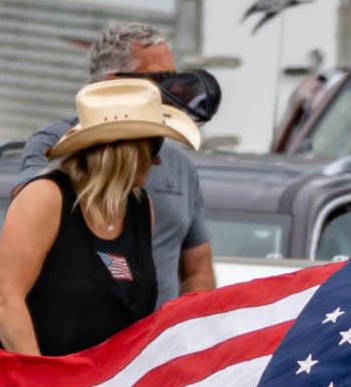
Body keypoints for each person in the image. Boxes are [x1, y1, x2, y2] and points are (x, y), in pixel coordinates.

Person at [0, 78, 200, 359]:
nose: (159, 160)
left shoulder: (139, 206)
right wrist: (42, 385)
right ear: (125, 151)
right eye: (155, 146)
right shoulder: (46, 197)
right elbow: (5, 301)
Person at [11, 25, 216, 306]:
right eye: (161, 79)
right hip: (78, 341)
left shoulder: (179, 163)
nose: (175, 90)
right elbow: (26, 217)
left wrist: (186, 332)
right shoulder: (54, 145)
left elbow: (198, 270)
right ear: (114, 84)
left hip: (154, 344)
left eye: (175, 77)